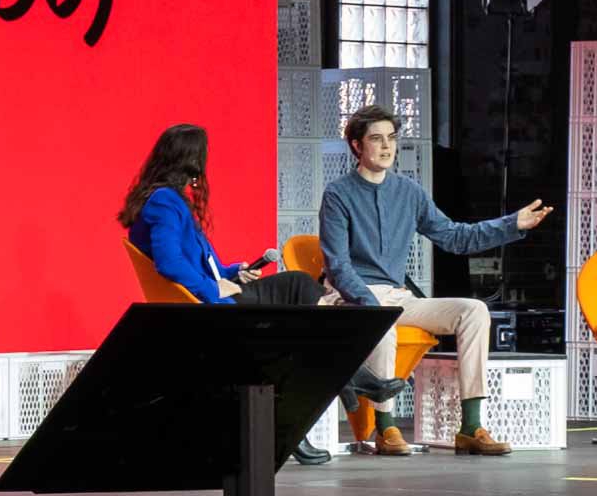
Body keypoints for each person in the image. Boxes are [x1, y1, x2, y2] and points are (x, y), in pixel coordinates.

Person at [119, 122, 407, 464]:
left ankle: (348, 382)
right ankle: (349, 381)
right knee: (299, 296)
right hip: (206, 306)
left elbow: (201, 264)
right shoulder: (165, 202)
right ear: (191, 159)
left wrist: (233, 272)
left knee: (299, 294)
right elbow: (169, 263)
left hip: (214, 295)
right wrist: (214, 288)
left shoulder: (169, 200)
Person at [318, 104, 554, 456]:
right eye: (377, 139)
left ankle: (470, 427)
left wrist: (511, 225)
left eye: (391, 138)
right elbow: (338, 266)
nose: (387, 146)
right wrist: (370, 304)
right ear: (356, 145)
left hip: (398, 298)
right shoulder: (338, 194)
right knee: (384, 323)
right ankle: (385, 427)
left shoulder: (409, 192)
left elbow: (455, 237)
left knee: (473, 310)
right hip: (351, 298)